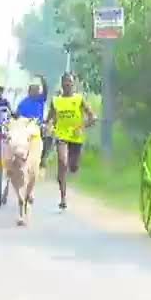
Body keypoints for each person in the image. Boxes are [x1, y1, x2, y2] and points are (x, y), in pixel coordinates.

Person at [45, 72, 97, 211]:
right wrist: (48, 127)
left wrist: (83, 125)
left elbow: (93, 117)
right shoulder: (56, 100)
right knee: (63, 161)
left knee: (73, 167)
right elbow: (49, 119)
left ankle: (64, 173)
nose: (68, 84)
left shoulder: (79, 99)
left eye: (70, 82)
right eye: (65, 82)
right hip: (61, 136)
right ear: (62, 84)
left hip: (76, 137)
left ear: (73, 84)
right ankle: (63, 198)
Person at [16, 78, 51, 167]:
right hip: (25, 125)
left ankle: (43, 157)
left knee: (48, 132)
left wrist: (43, 80)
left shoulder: (40, 99)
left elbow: (46, 91)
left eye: (37, 90)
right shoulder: (23, 102)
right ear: (29, 91)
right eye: (33, 90)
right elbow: (17, 114)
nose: (35, 92)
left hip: (38, 125)